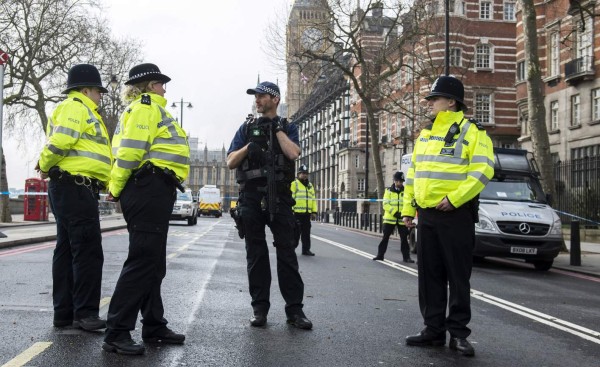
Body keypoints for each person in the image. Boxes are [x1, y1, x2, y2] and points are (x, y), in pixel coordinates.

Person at [402, 76, 494, 357]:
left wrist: (454, 199)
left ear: (451, 102)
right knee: (429, 275)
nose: (429, 103)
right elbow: (413, 175)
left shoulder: (474, 133)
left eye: (434, 99)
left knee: (457, 276)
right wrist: (407, 209)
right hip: (427, 216)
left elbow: (482, 172)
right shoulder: (426, 135)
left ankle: (458, 333)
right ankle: (433, 330)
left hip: (456, 215)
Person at [102, 63, 190, 355]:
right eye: (161, 83)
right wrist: (115, 187)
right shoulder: (145, 108)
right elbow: (130, 152)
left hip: (157, 187)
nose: (165, 89)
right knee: (142, 260)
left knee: (154, 262)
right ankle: (116, 331)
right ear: (150, 85)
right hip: (146, 187)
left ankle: (153, 325)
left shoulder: (152, 109)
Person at [227, 81, 312, 330]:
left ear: (275, 99)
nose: (257, 100)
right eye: (256, 96)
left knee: (287, 254)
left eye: (262, 96)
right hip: (251, 197)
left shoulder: (288, 127)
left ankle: (295, 311)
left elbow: (294, 153)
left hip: (280, 198)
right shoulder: (246, 127)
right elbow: (231, 161)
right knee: (256, 254)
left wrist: (276, 130)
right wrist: (248, 148)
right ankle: (259, 309)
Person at [36, 64, 112, 332]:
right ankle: (86, 313)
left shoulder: (83, 111)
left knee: (67, 250)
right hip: (75, 187)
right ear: (86, 89)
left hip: (72, 188)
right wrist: (44, 165)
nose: (100, 96)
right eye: (98, 91)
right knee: (88, 251)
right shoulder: (76, 108)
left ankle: (65, 313)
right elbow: (60, 142)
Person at [372, 171, 413, 263]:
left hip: (402, 219)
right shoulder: (388, 191)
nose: (400, 183)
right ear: (395, 181)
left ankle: (406, 257)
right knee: (385, 238)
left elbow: (408, 203)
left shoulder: (406, 191)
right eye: (399, 181)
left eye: (402, 181)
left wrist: (404, 214)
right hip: (389, 219)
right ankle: (380, 255)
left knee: (404, 239)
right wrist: (395, 213)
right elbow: (385, 204)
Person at [291, 164, 317, 256]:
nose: (304, 175)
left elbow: (313, 199)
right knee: (295, 234)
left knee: (306, 233)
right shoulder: (294, 184)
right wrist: (291, 211)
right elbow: (291, 198)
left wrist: (314, 212)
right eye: (302, 173)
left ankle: (306, 250)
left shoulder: (310, 185)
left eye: (306, 173)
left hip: (307, 214)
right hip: (296, 213)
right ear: (298, 174)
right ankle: (291, 250)